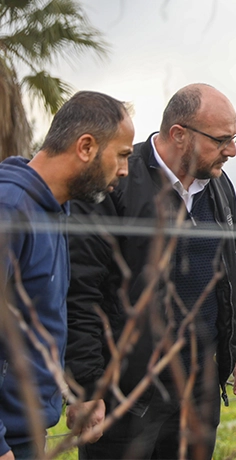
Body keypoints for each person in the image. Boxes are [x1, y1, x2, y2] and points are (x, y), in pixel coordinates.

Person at [64, 83, 236, 460]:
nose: (231, 150)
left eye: (233, 138)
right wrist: (86, 387)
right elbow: (80, 290)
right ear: (179, 135)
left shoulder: (220, 186)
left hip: (198, 392)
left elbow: (232, 273)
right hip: (126, 395)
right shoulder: (115, 182)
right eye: (221, 140)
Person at [0, 91, 134, 460]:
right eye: (122, 155)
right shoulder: (10, 210)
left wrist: (75, 394)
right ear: (86, 147)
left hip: (27, 429)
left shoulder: (53, 211)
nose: (124, 170)